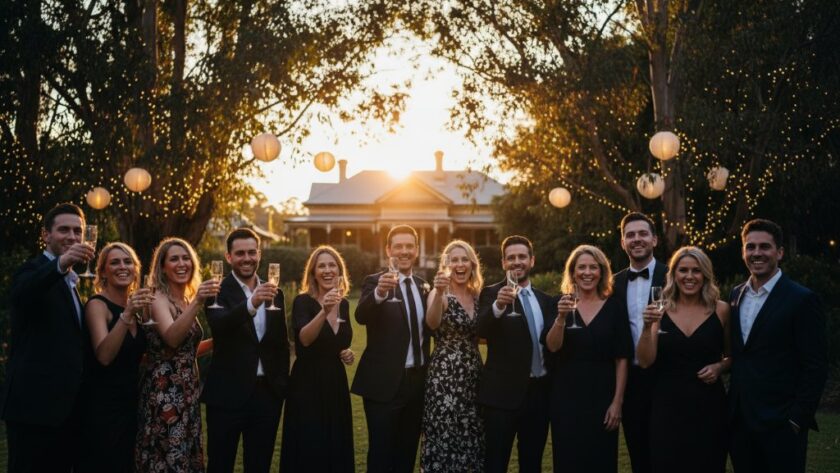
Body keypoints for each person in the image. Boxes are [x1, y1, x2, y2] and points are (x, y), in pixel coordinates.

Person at [728, 219, 828, 473]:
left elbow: (815, 366)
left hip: (782, 425)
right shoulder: (735, 295)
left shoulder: (802, 299)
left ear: (779, 252)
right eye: (750, 247)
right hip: (741, 424)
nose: (757, 253)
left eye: (765, 247)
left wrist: (797, 419)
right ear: (743, 252)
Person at [1, 203, 94, 472]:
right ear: (46, 235)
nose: (73, 236)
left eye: (78, 231)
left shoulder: (72, 283)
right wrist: (61, 264)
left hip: (66, 411)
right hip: (34, 409)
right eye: (64, 229)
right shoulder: (32, 270)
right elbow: (21, 294)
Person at [202, 228, 290, 473]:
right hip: (226, 395)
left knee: (259, 465)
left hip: (267, 396)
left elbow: (281, 345)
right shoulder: (216, 291)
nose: (247, 258)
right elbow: (220, 325)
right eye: (240, 253)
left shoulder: (276, 294)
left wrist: (280, 386)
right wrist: (252, 303)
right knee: (220, 464)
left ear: (259, 254)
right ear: (229, 257)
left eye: (252, 252)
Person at [636, 246, 730, 473]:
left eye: (696, 271)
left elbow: (733, 356)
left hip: (709, 407)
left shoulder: (722, 310)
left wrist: (719, 367)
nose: (689, 276)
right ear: (674, 275)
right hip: (667, 407)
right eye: (683, 270)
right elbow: (645, 361)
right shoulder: (660, 310)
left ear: (705, 275)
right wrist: (647, 327)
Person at [543, 245, 632, 472]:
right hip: (566, 397)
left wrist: (617, 402)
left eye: (593, 267)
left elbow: (622, 358)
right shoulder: (558, 303)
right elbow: (553, 347)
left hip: (603, 396)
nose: (587, 272)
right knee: (568, 460)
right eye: (581, 267)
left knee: (601, 460)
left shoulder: (614, 307)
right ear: (572, 272)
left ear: (601, 272)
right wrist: (561, 318)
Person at [135, 237, 219, 472]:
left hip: (187, 390)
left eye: (186, 258)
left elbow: (186, 351)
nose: (182, 264)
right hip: (165, 393)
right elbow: (172, 338)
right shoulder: (157, 297)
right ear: (162, 266)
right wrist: (199, 302)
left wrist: (218, 342)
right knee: (167, 456)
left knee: (184, 454)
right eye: (174, 259)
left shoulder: (183, 300)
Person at [352, 224, 430, 473]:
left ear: (416, 250)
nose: (404, 251)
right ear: (388, 250)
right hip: (383, 385)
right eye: (398, 246)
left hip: (417, 383)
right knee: (381, 453)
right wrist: (379, 293)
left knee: (407, 452)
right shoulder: (373, 282)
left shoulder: (423, 286)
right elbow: (361, 315)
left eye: (409, 246)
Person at [477, 235, 554, 473]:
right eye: (511, 258)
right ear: (503, 263)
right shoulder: (490, 294)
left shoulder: (546, 300)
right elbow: (479, 330)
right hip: (501, 397)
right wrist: (498, 307)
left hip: (539, 395)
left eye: (522, 257)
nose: (516, 262)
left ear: (532, 260)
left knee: (532, 463)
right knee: (495, 463)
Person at [280, 245, 355, 472]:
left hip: (335, 381)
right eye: (321, 265)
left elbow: (341, 341)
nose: (327, 270)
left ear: (339, 271)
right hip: (307, 383)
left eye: (332, 265)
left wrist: (347, 352)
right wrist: (324, 310)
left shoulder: (343, 304)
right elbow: (304, 339)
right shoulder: (303, 302)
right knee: (309, 445)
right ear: (313, 273)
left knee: (335, 443)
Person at [80, 242, 152, 472]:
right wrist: (128, 314)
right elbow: (104, 356)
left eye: (128, 261)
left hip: (132, 406)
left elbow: (140, 358)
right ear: (102, 271)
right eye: (115, 262)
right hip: (102, 410)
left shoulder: (137, 309)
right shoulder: (97, 305)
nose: (123, 266)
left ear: (136, 269)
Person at [421, 240, 485, 472]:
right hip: (444, 379)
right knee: (444, 439)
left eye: (464, 259)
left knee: (472, 438)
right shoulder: (440, 293)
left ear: (472, 264)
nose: (460, 264)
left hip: (474, 378)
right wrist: (438, 293)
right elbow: (432, 322)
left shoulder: (477, 296)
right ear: (447, 266)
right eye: (454, 260)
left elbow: (482, 334)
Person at [611, 212, 667, 473]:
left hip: (669, 378)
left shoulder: (674, 277)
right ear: (623, 242)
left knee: (670, 454)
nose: (637, 239)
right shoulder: (613, 283)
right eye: (630, 235)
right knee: (639, 455)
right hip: (630, 382)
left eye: (643, 234)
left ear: (654, 240)